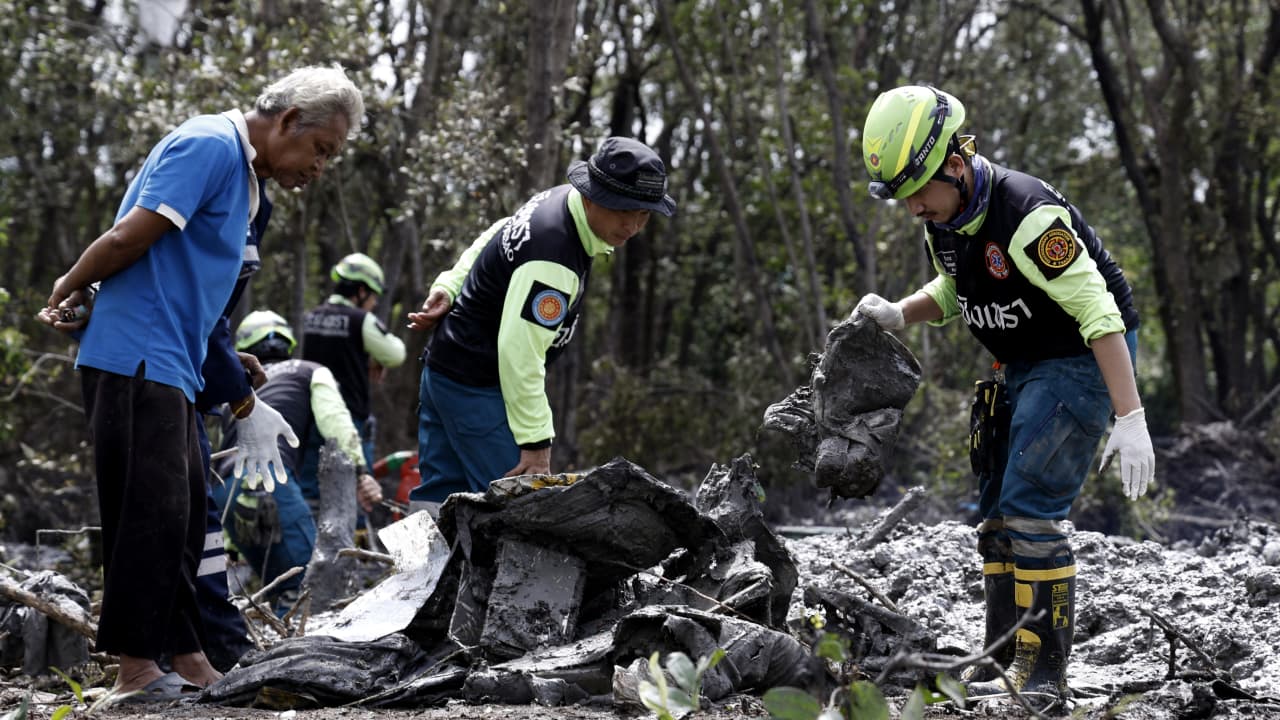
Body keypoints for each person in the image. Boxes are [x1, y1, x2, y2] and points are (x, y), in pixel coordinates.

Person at [40, 65, 363, 700]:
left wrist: (226, 362)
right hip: (134, 354)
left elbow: (196, 289)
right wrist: (72, 282)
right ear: (290, 121)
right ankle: (135, 673)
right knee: (150, 513)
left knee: (187, 519)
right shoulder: (208, 144)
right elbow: (132, 234)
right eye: (320, 149)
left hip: (175, 363)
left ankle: (188, 659)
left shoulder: (251, 188)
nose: (320, 167)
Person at [854, 85, 1155, 704]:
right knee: (993, 515)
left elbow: (1099, 314)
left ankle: (1044, 673)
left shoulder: (1028, 216)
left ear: (956, 167)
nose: (912, 209)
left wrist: (1131, 415)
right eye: (904, 198)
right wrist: (896, 314)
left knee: (1030, 511)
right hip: (1017, 363)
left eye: (918, 193)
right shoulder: (945, 219)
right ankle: (999, 655)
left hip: (1079, 359)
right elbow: (953, 287)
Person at [405, 136, 677, 516]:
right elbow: (519, 354)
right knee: (516, 513)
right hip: (478, 390)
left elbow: (499, 228)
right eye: (624, 211)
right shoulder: (554, 262)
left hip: (446, 370)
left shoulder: (559, 200)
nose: (632, 225)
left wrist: (451, 283)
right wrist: (536, 442)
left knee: (440, 496)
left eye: (644, 214)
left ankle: (422, 574)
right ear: (593, 195)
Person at [213, 311, 382, 611]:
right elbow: (337, 423)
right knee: (310, 583)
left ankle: (273, 649)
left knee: (283, 584)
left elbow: (225, 457)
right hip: (269, 482)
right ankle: (291, 654)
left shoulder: (236, 394)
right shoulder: (311, 370)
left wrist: (229, 543)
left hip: (225, 490)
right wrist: (361, 472)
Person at [300, 253, 405, 485]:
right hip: (350, 419)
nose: (374, 303)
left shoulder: (312, 317)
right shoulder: (361, 320)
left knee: (311, 487)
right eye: (373, 296)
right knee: (357, 487)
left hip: (313, 417)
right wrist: (378, 359)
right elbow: (397, 354)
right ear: (361, 291)